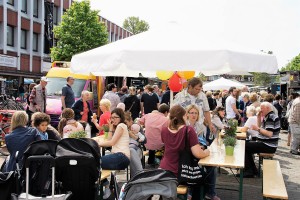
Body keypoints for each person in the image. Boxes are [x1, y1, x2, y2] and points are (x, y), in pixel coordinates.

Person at [159, 105, 220, 200]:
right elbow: (198, 154)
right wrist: (207, 152)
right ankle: (207, 194)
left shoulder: (164, 129)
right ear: (184, 116)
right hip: (180, 171)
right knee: (201, 180)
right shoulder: (188, 130)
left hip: (164, 168)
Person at [95, 108, 130, 199]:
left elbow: (111, 143)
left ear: (121, 118)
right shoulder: (119, 126)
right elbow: (109, 140)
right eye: (111, 117)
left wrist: (97, 144)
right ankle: (106, 186)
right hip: (119, 157)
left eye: (115, 117)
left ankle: (105, 186)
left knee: (94, 162)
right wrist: (110, 127)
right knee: (95, 163)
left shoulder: (121, 125)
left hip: (121, 156)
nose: (112, 119)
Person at [239, 102, 280, 178]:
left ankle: (249, 170)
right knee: (245, 146)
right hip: (266, 144)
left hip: (268, 145)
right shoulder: (268, 116)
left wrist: (257, 129)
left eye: (262, 108)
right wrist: (258, 117)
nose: (260, 110)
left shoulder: (270, 117)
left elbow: (269, 134)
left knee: (243, 145)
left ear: (267, 108)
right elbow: (260, 127)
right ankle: (252, 170)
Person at [124, 112, 144, 178]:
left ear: (130, 121)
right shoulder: (121, 128)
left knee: (132, 153)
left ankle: (135, 178)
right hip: (125, 150)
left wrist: (133, 135)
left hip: (137, 148)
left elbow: (145, 141)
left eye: (126, 123)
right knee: (132, 152)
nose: (125, 125)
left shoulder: (136, 127)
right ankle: (139, 175)